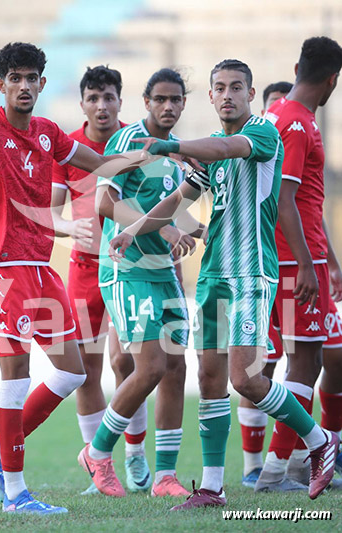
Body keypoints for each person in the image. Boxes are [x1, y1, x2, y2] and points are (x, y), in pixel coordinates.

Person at [108, 58, 339, 509]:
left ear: (251, 95)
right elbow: (181, 197)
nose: (228, 94)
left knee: (245, 379)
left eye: (237, 86)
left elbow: (222, 150)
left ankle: (319, 440)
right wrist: (132, 230)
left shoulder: (260, 134)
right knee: (210, 378)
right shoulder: (213, 145)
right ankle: (212, 489)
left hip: (251, 274)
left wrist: (165, 146)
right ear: (211, 97)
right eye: (220, 87)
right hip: (214, 274)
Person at [0, 42, 146, 514]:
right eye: (16, 78)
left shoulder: (48, 133)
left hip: (41, 268)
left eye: (32, 78)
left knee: (72, 370)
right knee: (15, 375)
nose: (25, 86)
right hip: (3, 269)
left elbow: (94, 162)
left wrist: (146, 158)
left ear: (43, 84)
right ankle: (15, 493)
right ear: (1, 85)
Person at [77, 68, 203, 498]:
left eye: (176, 100)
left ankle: (165, 477)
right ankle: (97, 452)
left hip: (162, 271)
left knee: (175, 367)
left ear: (184, 103)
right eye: (160, 99)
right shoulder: (127, 142)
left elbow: (167, 208)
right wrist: (164, 230)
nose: (168, 106)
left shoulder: (177, 154)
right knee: (147, 366)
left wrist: (195, 228)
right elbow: (105, 201)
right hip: (125, 269)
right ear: (146, 102)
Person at [51, 65, 151, 494]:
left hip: (130, 267)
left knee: (127, 362)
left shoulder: (137, 143)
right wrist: (70, 228)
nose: (102, 105)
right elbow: (52, 214)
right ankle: (98, 465)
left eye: (108, 97)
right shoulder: (67, 149)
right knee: (87, 371)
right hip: (84, 271)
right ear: (83, 104)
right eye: (93, 98)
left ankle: (134, 450)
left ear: (120, 101)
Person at [240, 80, 342, 490]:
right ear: (332, 80)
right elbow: (285, 199)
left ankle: (299, 460)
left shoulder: (283, 117)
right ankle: (274, 468)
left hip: (296, 256)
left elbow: (305, 205)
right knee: (289, 362)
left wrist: (328, 260)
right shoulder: (296, 124)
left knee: (312, 359)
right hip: (291, 260)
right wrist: (305, 261)